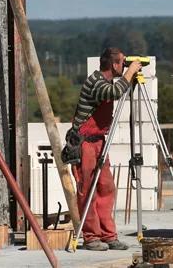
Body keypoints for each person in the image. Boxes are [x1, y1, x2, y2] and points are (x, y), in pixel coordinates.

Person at [70, 47, 142, 251]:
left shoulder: (106, 80)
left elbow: (117, 89)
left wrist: (129, 75)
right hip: (84, 142)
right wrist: (131, 72)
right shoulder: (96, 82)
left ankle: (108, 235)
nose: (124, 66)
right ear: (113, 64)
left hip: (100, 141)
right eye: (122, 62)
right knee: (88, 190)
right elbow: (115, 92)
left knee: (106, 187)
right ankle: (91, 237)